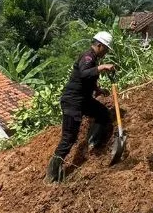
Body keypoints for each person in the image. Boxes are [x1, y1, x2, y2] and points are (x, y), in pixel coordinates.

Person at [45, 31, 115, 183]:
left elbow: (87, 80)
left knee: (103, 114)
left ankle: (92, 143)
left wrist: (98, 90)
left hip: (83, 100)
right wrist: (102, 67)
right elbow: (84, 74)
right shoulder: (88, 57)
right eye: (106, 48)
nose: (107, 52)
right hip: (72, 102)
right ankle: (51, 176)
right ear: (99, 45)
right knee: (68, 138)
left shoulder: (93, 59)